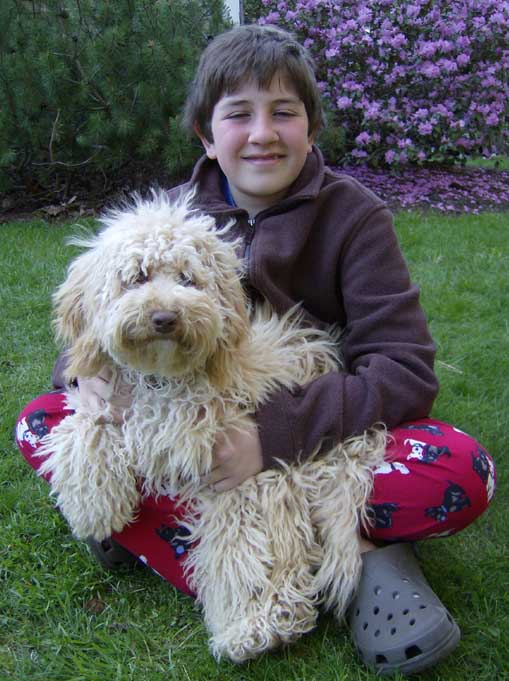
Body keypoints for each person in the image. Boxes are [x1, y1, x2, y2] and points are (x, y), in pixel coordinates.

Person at [15, 24, 495, 675]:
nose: (262, 133)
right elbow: (94, 323)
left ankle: (175, 533)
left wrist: (269, 438)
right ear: (206, 136)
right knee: (43, 422)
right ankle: (347, 562)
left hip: (321, 425)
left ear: (311, 129)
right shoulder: (167, 217)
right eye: (239, 114)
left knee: (459, 468)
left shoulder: (354, 218)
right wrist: (88, 379)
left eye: (283, 113)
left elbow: (404, 369)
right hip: (183, 420)